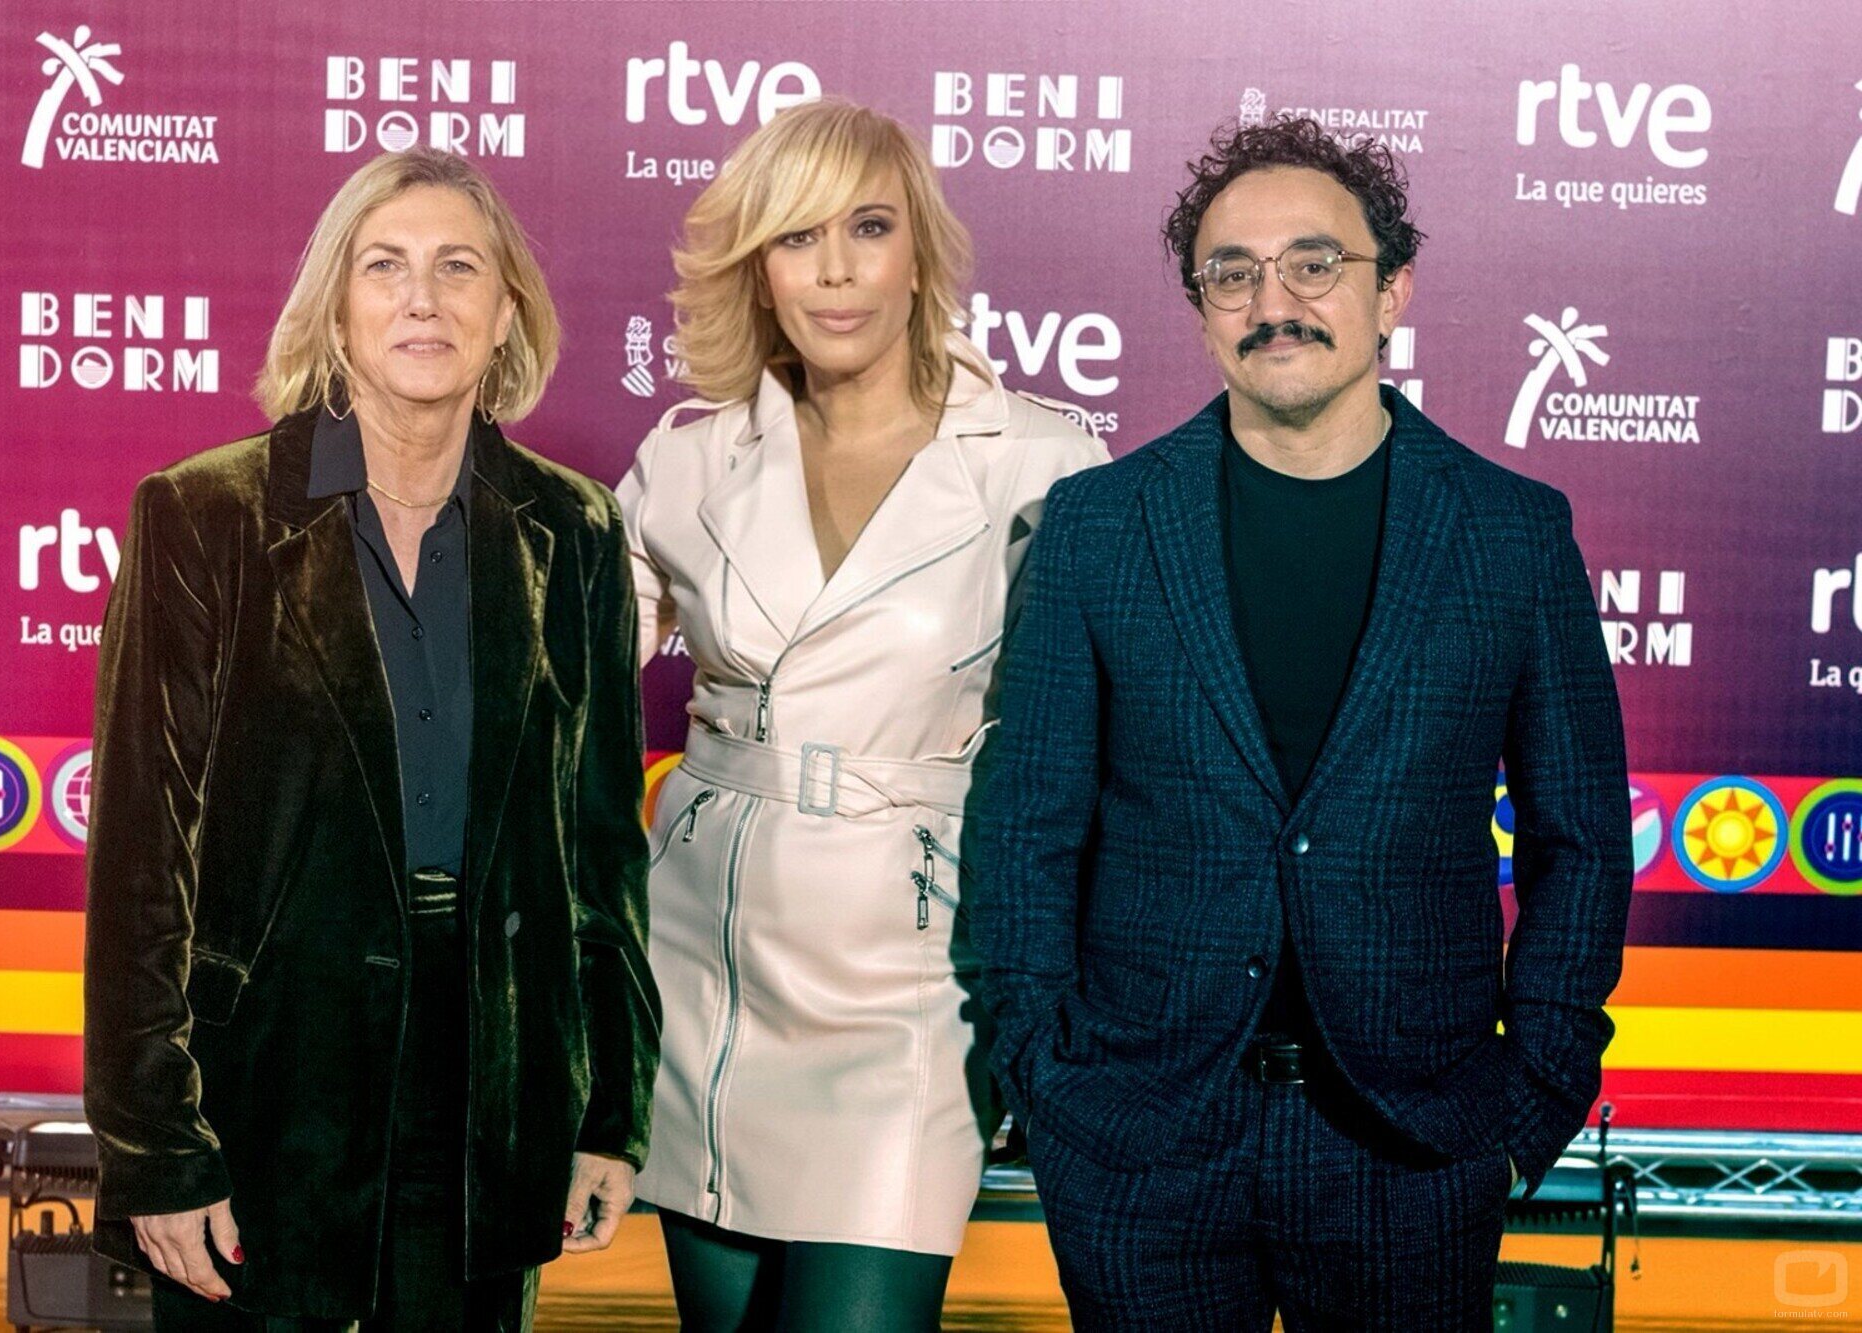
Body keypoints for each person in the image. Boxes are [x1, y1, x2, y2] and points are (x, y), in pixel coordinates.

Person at [970, 114, 1632, 1331]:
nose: (1274, 301)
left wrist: (1526, 1102)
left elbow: (1580, 839)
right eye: (1233, 272)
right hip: (1138, 1139)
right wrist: (1043, 1076)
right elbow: (1023, 825)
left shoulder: (1510, 534)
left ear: (1392, 293)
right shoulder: (1097, 528)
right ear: (1200, 305)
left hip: (1413, 1145)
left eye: (1314, 263)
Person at [82, 147, 659, 1331]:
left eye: (459, 268)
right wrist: (155, 1145)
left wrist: (608, 1112)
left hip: (490, 1091)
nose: (421, 297)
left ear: (504, 313)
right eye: (383, 265)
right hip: (268, 1087)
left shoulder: (575, 530)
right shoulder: (205, 515)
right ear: (336, 307)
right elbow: (143, 859)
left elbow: (602, 855)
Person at [614, 99, 1107, 1332]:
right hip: (707, 957)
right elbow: (552, 694)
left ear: (918, 253)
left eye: (867, 228)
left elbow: (1094, 746)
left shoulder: (1041, 463)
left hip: (913, 974)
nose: (834, 270)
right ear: (756, 270)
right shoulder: (687, 461)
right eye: (795, 238)